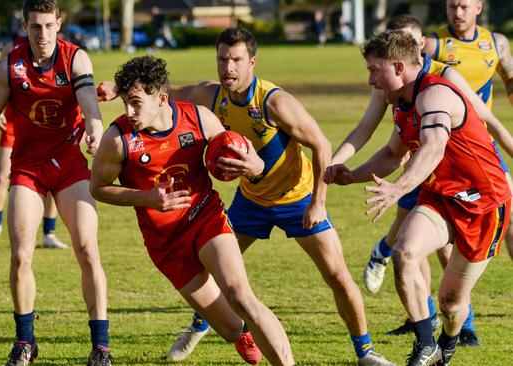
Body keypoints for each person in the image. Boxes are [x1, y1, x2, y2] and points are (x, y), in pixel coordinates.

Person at [98, 27, 394, 366]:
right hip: (251, 202)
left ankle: (366, 352)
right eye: (222, 59)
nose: (228, 68)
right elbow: (164, 91)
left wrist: (318, 202)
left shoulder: (274, 101)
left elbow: (321, 144)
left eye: (236, 60)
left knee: (336, 275)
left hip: (295, 198)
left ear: (251, 62)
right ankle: (206, 323)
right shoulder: (211, 96)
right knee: (222, 281)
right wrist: (118, 87)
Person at [91, 54, 294, 366]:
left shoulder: (198, 119)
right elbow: (98, 188)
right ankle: (246, 331)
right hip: (166, 244)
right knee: (229, 329)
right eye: (125, 103)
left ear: (161, 98)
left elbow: (242, 154)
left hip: (205, 218)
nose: (129, 112)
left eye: (135, 102)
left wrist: (253, 165)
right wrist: (146, 198)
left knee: (241, 296)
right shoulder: (118, 140)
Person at [324, 14, 513, 344]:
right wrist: (345, 171)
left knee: (451, 296)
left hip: (476, 187)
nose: (370, 80)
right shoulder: (394, 94)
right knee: (408, 250)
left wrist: (397, 187)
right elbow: (382, 144)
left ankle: (454, 330)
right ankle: (426, 341)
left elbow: (461, 134)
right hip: (433, 185)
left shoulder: (441, 83)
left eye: (373, 70)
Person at [0, 1, 111, 365]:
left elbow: (90, 103)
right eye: (34, 27)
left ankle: (101, 347)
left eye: (48, 26)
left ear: (59, 23)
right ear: (24, 26)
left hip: (70, 166)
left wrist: (94, 129)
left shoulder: (76, 59)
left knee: (88, 249)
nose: (42, 34)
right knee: (21, 254)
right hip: (27, 168)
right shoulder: (9, 65)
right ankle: (25, 341)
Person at [423, 0, 513, 262]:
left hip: (483, 143)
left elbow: (509, 77)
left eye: (463, 6)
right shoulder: (433, 44)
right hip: (443, 147)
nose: (457, 13)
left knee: (509, 211)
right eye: (452, 7)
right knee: (431, 224)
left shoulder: (496, 43)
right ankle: (383, 251)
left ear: (479, 7)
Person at [0, 37, 68, 251]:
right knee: (1, 177)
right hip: (14, 121)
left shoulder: (61, 48)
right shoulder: (12, 48)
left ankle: (49, 232)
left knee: (54, 178)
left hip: (47, 123)